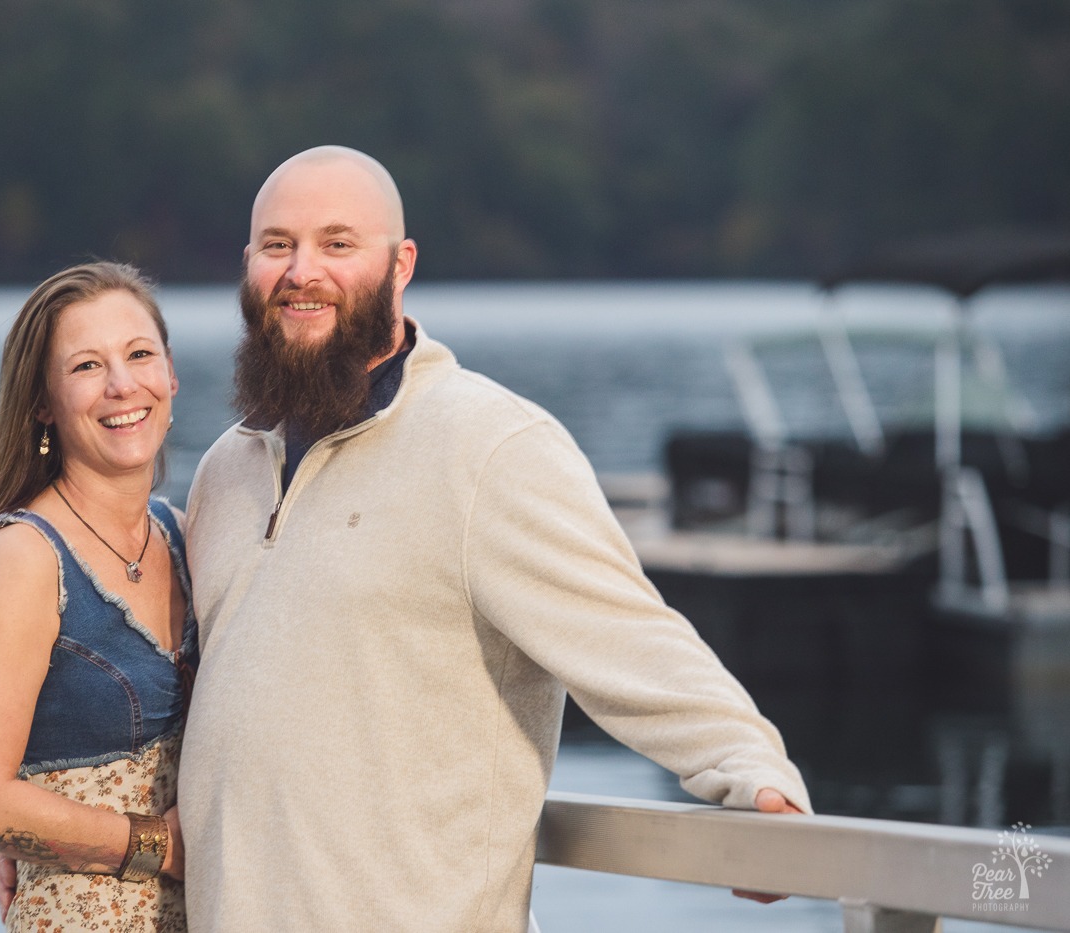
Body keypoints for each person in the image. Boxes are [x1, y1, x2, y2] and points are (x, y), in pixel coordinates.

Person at [173, 146, 812, 932]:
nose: (302, 270)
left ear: (400, 264)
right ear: (248, 265)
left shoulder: (490, 447)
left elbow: (629, 634)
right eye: (277, 245)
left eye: (337, 244)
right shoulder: (225, 468)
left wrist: (753, 770)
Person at [0, 262, 196, 931]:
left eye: (139, 354)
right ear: (43, 401)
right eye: (86, 366)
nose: (120, 384)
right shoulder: (23, 557)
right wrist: (159, 846)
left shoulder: (184, 534)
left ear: (171, 375)